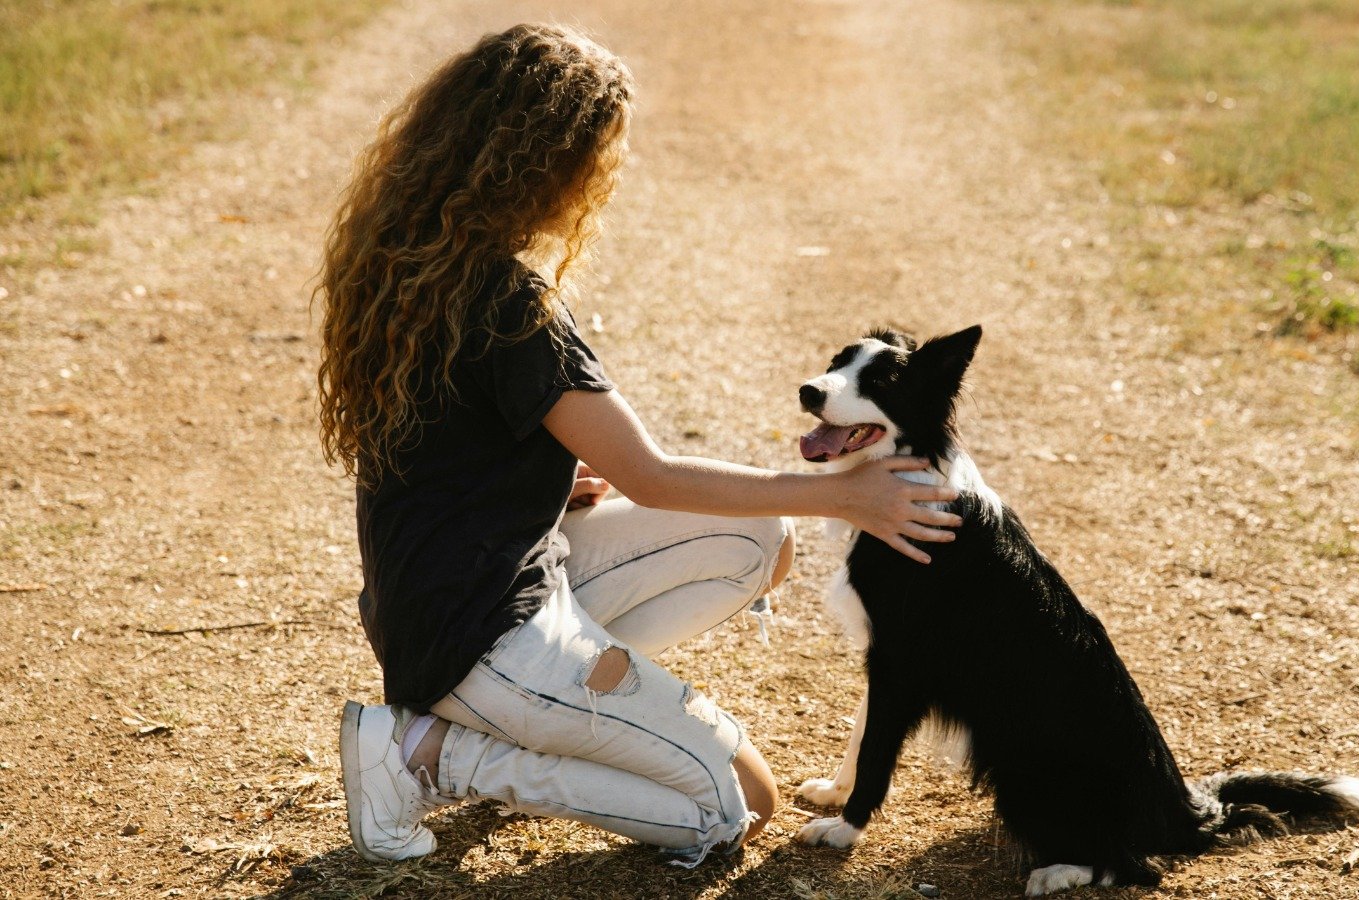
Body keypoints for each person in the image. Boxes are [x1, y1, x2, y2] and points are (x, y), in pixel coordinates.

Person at [315, 24, 961, 867]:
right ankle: (427, 757)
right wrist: (848, 494)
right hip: (480, 632)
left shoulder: (406, 257)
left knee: (760, 543)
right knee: (735, 809)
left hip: (442, 602)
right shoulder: (513, 303)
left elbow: (449, 448)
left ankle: (515, 713)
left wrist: (534, 478)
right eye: (597, 156)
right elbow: (650, 475)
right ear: (545, 162)